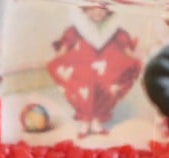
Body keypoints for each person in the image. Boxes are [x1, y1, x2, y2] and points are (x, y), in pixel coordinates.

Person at [47, 4, 142, 138]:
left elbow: (128, 51)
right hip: (82, 68)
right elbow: (64, 48)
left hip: (107, 68)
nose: (97, 12)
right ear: (86, 9)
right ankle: (85, 121)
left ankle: (97, 120)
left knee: (107, 87)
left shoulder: (116, 31)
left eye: (102, 8)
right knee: (83, 88)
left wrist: (133, 60)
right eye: (93, 8)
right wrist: (59, 60)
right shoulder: (76, 30)